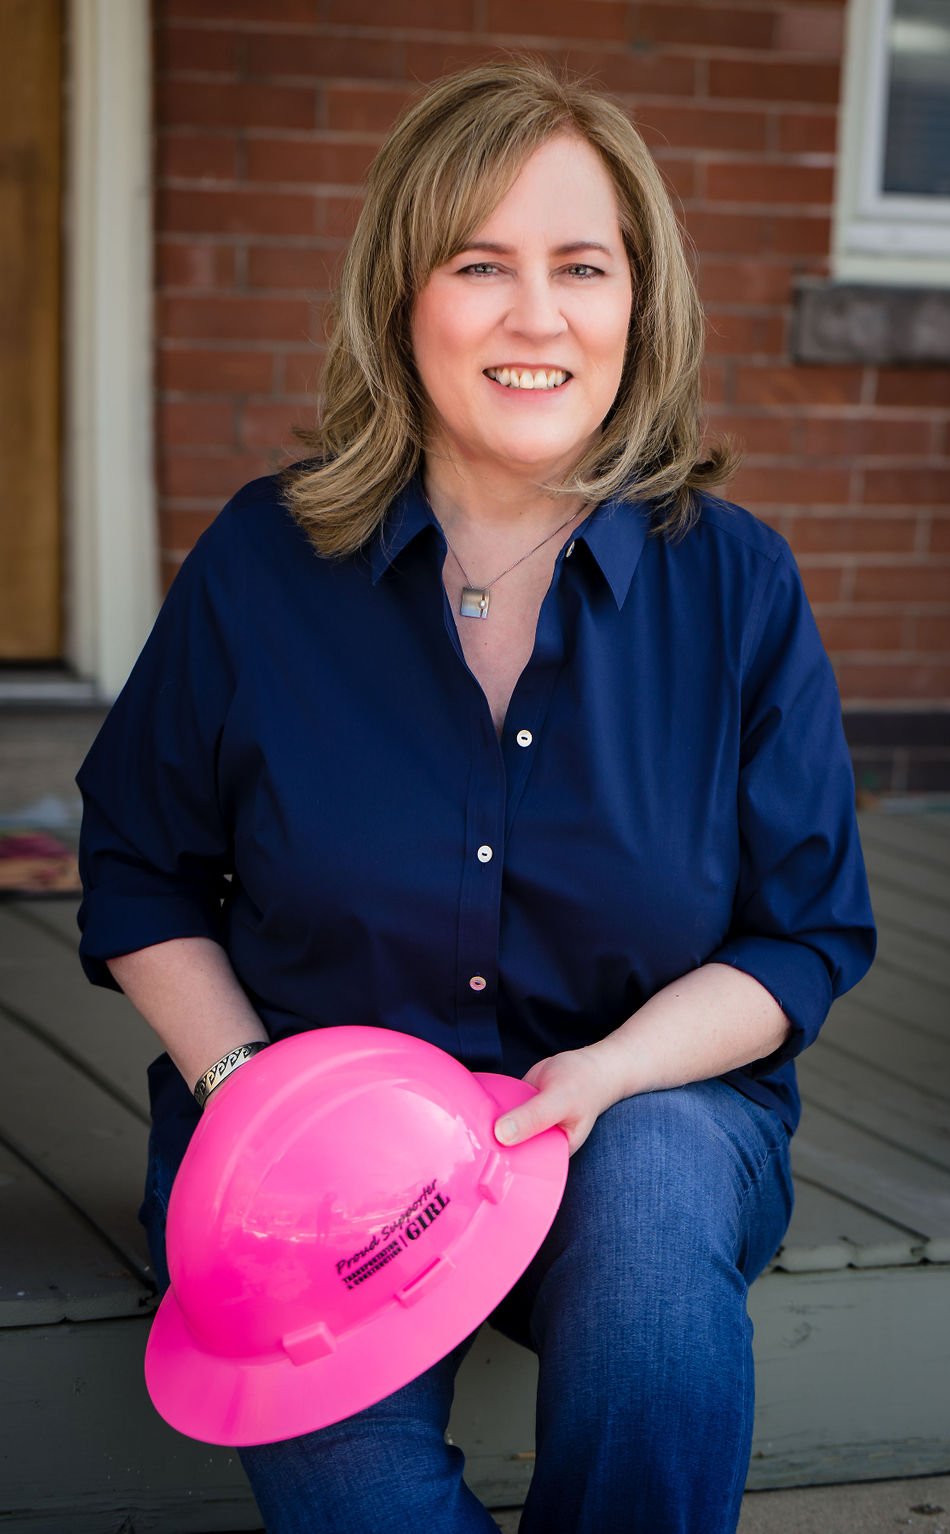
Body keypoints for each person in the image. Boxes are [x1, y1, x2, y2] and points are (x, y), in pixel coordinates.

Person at [75, 54, 876, 1534]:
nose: (538, 317)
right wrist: (256, 1094)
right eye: (480, 264)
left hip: (631, 1115)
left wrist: (609, 1072)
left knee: (647, 1196)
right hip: (315, 1144)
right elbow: (137, 866)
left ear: (639, 301)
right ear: (403, 298)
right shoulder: (265, 564)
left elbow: (805, 934)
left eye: (582, 265)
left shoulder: (738, 584)